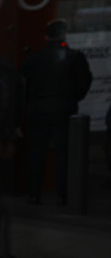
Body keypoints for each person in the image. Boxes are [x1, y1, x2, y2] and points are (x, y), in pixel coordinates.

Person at [21, 19, 92, 205]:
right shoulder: (74, 57)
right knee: (64, 153)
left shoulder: (34, 59)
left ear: (46, 37)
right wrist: (72, 98)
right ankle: (63, 194)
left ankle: (34, 193)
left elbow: (23, 85)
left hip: (39, 108)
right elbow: (84, 81)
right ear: (64, 35)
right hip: (64, 107)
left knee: (36, 153)